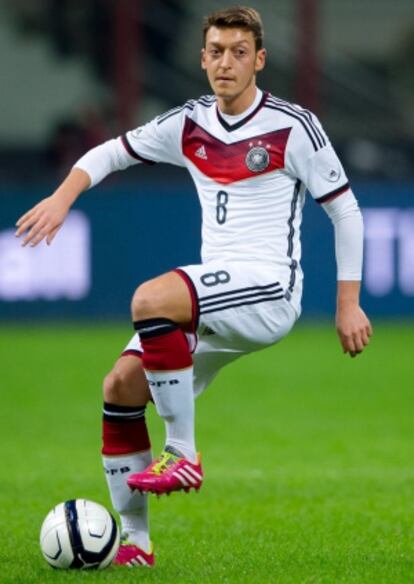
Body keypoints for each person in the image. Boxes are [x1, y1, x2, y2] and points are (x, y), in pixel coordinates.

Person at [15, 6, 372, 569]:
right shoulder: (188, 123)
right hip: (216, 295)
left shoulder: (293, 125)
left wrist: (347, 303)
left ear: (259, 59)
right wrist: (63, 197)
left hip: (269, 288)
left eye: (238, 52)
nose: (225, 62)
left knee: (151, 298)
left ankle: (182, 451)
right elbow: (110, 152)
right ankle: (135, 545)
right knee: (121, 385)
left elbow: (346, 212)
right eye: (216, 51)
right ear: (202, 57)